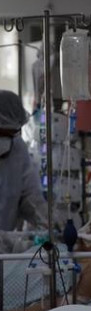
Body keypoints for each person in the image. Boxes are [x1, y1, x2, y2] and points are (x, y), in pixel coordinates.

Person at [0, 90, 47, 233]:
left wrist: (49, 223)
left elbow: (30, 197)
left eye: (11, 135)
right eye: (1, 134)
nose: (5, 142)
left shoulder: (17, 149)